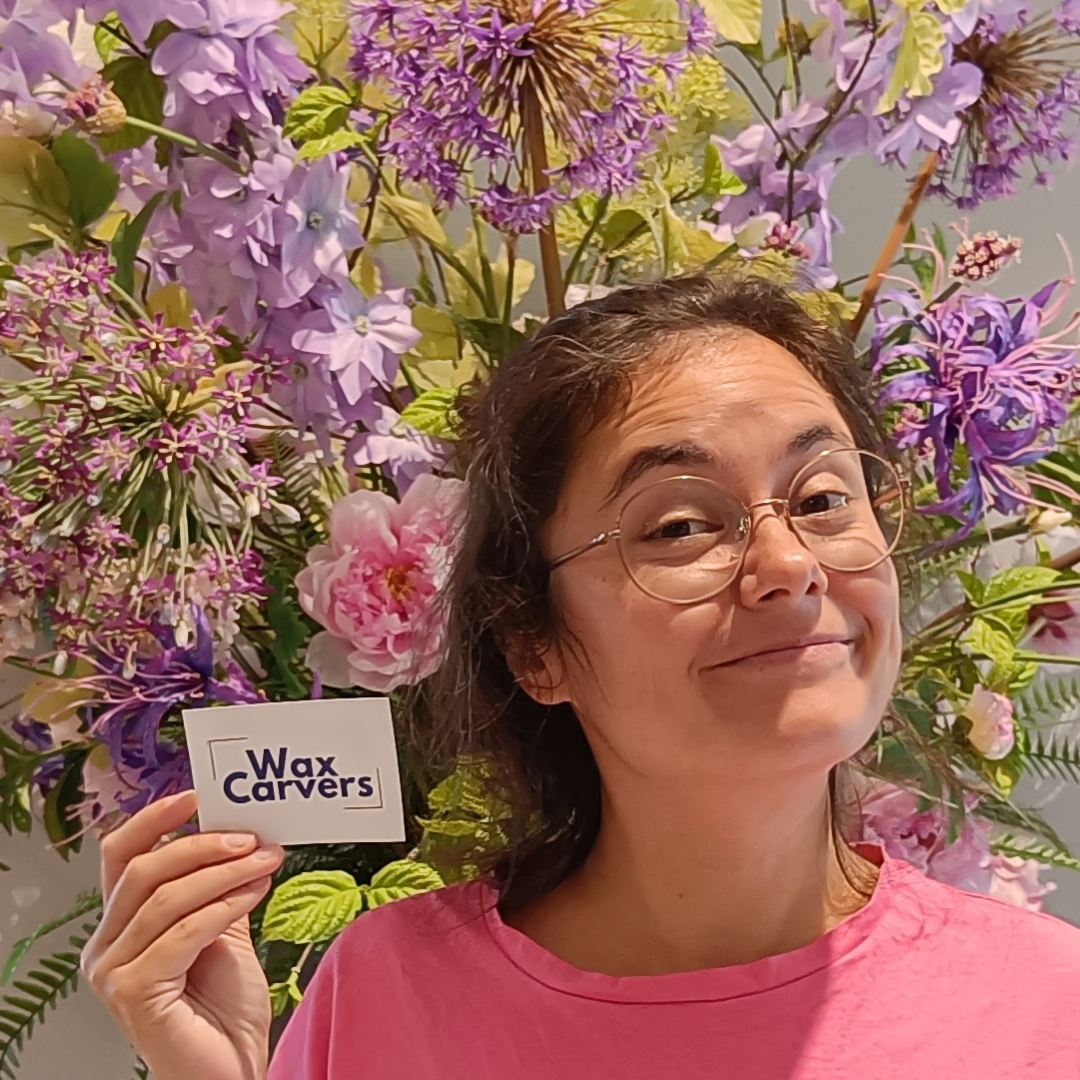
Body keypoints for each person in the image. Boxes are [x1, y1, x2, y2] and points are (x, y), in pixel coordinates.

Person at [84, 273, 1080, 1080]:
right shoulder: (389, 995)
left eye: (822, 497)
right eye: (681, 525)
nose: (789, 563)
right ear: (536, 647)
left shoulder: (1047, 1003)